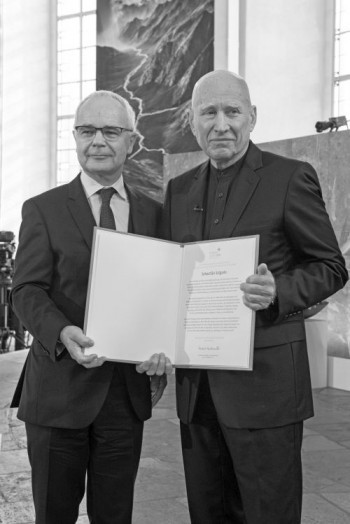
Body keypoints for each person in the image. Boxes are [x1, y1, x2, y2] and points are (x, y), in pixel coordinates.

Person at [162, 70, 348, 524]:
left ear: (253, 117)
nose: (221, 124)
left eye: (232, 111)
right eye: (209, 112)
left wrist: (278, 290)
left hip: (266, 388)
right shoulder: (179, 190)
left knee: (269, 512)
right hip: (198, 390)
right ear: (192, 121)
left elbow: (331, 266)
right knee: (208, 512)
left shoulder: (289, 178)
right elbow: (170, 277)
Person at [10, 90, 172, 524]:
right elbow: (25, 289)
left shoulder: (155, 214)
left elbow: (163, 292)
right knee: (54, 514)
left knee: (115, 514)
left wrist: (164, 344)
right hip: (58, 390)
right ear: (76, 137)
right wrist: (63, 332)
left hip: (123, 393)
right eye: (87, 130)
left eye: (111, 131)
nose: (97, 140)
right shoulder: (42, 209)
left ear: (132, 141)